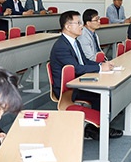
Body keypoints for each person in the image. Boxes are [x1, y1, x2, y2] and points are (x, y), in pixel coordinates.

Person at [49, 10, 122, 140]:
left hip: (78, 81)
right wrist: (100, 68)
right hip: (67, 89)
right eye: (78, 23)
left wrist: (102, 65)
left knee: (104, 92)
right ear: (68, 26)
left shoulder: (74, 41)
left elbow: (84, 61)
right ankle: (98, 129)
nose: (81, 26)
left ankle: (95, 128)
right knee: (101, 94)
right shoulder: (61, 46)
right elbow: (76, 68)